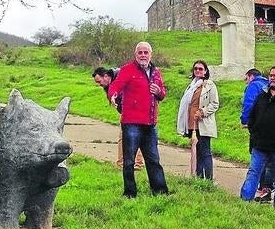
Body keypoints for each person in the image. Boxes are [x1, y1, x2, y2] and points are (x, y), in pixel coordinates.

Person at [107, 41, 169, 198]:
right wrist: (112, 95)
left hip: (150, 124)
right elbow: (116, 86)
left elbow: (162, 94)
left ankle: (160, 191)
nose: (143, 55)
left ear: (150, 54)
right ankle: (129, 193)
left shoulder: (156, 72)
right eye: (140, 52)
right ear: (135, 55)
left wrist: (159, 91)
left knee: (153, 160)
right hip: (131, 123)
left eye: (145, 52)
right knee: (129, 161)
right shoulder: (128, 70)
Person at [240, 65, 275, 211]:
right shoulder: (262, 96)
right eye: (270, 75)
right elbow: (252, 118)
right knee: (253, 173)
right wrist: (255, 133)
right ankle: (244, 202)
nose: (272, 78)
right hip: (260, 145)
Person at [92, 67, 144, 170]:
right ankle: (125, 163)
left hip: (134, 110)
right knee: (125, 137)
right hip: (126, 112)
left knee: (131, 137)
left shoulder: (121, 77)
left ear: (106, 76)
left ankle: (135, 164)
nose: (99, 84)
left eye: (99, 81)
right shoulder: (110, 84)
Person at [176, 60, 219, 180]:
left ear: (205, 71)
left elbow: (214, 104)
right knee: (197, 152)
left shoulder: (210, 85)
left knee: (205, 152)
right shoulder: (191, 86)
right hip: (192, 122)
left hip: (203, 123)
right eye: (196, 69)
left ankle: (209, 179)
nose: (198, 71)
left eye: (200, 69)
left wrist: (203, 112)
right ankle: (199, 178)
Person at [240, 68, 271, 201]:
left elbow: (249, 104)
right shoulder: (267, 84)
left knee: (257, 160)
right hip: (271, 126)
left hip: (257, 127)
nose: (246, 82)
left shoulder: (253, 86)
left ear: (251, 76)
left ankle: (251, 193)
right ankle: (266, 188)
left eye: (246, 79)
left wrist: (245, 120)